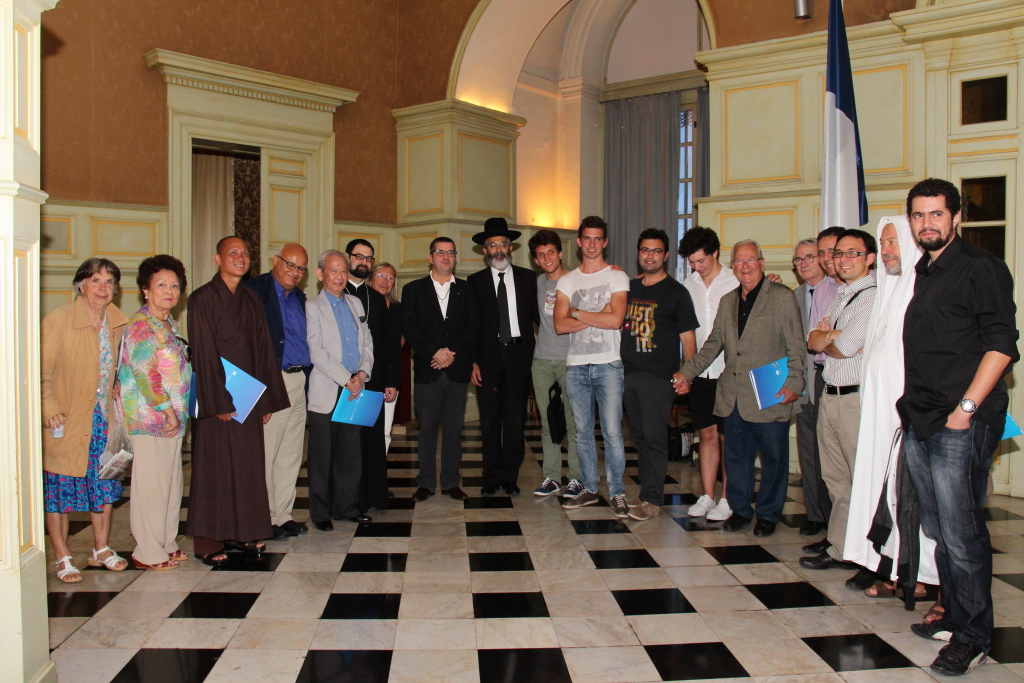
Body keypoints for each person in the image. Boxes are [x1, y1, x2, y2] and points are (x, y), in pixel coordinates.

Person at [898, 178, 1018, 676]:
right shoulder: (925, 269)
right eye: (919, 215)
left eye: (936, 214)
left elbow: (1002, 344)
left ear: (956, 217)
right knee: (943, 530)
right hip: (922, 418)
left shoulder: (980, 268)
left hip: (959, 422)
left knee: (963, 533)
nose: (927, 223)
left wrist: (965, 409)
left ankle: (974, 636)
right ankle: (954, 614)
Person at [676, 240, 804, 538]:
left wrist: (794, 384)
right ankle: (741, 510)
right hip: (732, 396)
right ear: (732, 267)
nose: (745, 266)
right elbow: (711, 347)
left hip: (770, 392)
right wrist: (686, 373)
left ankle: (769, 514)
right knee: (737, 459)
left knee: (773, 460)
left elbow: (796, 346)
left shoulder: (782, 298)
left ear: (761, 262)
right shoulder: (729, 301)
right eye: (739, 262)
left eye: (751, 260)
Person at [843, 216, 937, 601]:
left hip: (910, 418)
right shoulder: (887, 289)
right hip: (879, 418)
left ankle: (929, 577)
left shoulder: (922, 289)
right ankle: (898, 569)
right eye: (883, 244)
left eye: (893, 242)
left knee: (916, 499)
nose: (887, 252)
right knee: (888, 499)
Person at [186, 236, 290, 566]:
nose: (240, 258)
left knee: (246, 467)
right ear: (218, 259)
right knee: (215, 469)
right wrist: (218, 401)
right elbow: (202, 353)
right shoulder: (201, 298)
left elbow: (263, 351)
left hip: (248, 398)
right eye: (233, 253)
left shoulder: (250, 299)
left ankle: (243, 532)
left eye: (245, 253)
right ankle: (208, 539)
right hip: (218, 400)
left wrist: (266, 401)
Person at [42, 258, 130, 582]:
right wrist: (47, 407)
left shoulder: (117, 323)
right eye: (96, 281)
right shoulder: (59, 320)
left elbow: (114, 368)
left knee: (105, 486)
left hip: (102, 420)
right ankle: (63, 556)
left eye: (109, 282)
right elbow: (41, 372)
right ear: (81, 284)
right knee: (60, 491)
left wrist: (116, 384)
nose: (103, 288)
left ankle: (101, 549)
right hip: (65, 421)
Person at [801, 229, 877, 577]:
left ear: (869, 258)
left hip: (855, 398)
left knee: (861, 479)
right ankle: (841, 547)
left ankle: (869, 555)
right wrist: (830, 337)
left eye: (853, 253)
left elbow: (842, 347)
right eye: (840, 253)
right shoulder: (841, 293)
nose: (843, 259)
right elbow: (813, 339)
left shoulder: (871, 296)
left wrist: (829, 338)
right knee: (835, 478)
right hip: (829, 393)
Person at [119, 255, 192, 570]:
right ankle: (147, 551)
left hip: (173, 418)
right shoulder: (140, 325)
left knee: (171, 481)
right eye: (161, 284)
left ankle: (166, 541)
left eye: (174, 285)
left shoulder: (169, 323)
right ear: (145, 290)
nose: (169, 291)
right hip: (151, 418)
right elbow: (143, 372)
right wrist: (166, 409)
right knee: (151, 484)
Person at [555, 216, 631, 515]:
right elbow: (560, 326)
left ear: (605, 242)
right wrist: (596, 311)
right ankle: (588, 487)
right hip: (575, 366)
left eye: (598, 238)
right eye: (587, 238)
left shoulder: (617, 277)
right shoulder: (567, 280)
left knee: (612, 432)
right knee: (582, 432)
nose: (592, 243)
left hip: (608, 364)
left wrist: (576, 311)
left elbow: (615, 320)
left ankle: (617, 492)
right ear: (578, 241)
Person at [622, 229, 698, 521]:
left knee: (654, 438)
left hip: (658, 378)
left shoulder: (677, 292)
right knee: (639, 436)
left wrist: (687, 376)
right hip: (628, 374)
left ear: (665, 255)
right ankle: (645, 493)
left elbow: (688, 339)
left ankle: (652, 499)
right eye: (645, 250)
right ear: (638, 253)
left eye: (656, 251)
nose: (649, 256)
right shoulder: (628, 287)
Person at [402, 237, 480, 502]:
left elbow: (473, 327)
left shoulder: (468, 290)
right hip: (427, 370)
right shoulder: (413, 289)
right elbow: (410, 327)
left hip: (457, 370)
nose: (446, 257)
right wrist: (434, 352)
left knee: (454, 428)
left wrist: (451, 355)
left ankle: (450, 482)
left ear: (455, 258)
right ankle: (425, 482)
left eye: (450, 253)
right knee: (426, 430)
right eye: (440, 252)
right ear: (430, 257)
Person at [242, 244, 311, 540]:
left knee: (291, 453)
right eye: (290, 265)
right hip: (270, 381)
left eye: (300, 269)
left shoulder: (299, 297)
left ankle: (282, 514)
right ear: (275, 261)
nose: (294, 273)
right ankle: (263, 517)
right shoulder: (253, 291)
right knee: (267, 454)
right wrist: (256, 391)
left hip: (298, 381)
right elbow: (244, 343)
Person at [468, 217, 539, 496]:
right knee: (489, 419)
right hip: (487, 358)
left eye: (503, 244)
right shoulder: (474, 282)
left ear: (511, 248)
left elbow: (541, 315)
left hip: (520, 355)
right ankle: (490, 475)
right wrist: (472, 360)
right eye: (492, 245)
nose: (498, 250)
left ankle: (510, 476)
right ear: (485, 250)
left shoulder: (528, 278)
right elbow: (471, 325)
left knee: (514, 419)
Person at [306, 250, 375, 530]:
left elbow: (367, 343)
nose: (339, 277)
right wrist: (346, 378)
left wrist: (362, 374)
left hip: (356, 389)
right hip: (328, 389)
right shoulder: (312, 307)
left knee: (350, 452)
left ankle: (346, 506)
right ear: (321, 274)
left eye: (343, 271)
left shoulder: (356, 303)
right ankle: (320, 512)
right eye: (333, 271)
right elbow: (316, 352)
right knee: (323, 455)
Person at [679, 227, 737, 521]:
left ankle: (727, 498)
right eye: (693, 263)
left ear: (715, 253)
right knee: (706, 434)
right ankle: (707, 495)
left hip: (730, 372)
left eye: (702, 261)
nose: (697, 268)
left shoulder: (735, 280)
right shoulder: (687, 284)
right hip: (700, 370)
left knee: (729, 437)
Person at [345, 239, 399, 512]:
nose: (363, 262)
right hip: (339, 382)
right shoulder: (334, 291)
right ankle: (345, 499)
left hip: (373, 380)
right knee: (344, 442)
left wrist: (391, 381)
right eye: (359, 257)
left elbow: (390, 345)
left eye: (368, 258)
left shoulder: (377, 299)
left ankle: (370, 497)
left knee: (370, 441)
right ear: (348, 258)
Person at [529, 230, 582, 498]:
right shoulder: (537, 283)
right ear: (536, 260)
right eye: (541, 254)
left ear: (560, 253)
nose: (547, 258)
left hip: (571, 360)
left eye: (551, 251)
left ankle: (576, 477)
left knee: (574, 422)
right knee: (548, 422)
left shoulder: (576, 280)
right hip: (541, 361)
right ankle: (551, 476)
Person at [792, 238, 831, 538]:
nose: (804, 263)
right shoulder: (793, 297)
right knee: (808, 452)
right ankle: (815, 514)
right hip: (804, 386)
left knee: (832, 454)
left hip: (833, 382)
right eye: (798, 259)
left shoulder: (838, 291)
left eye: (809, 257)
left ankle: (835, 517)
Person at [370, 261, 403, 455]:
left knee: (384, 432)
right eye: (380, 276)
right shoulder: (359, 304)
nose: (385, 281)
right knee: (363, 430)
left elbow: (400, 343)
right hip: (365, 377)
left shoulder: (399, 309)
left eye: (390, 278)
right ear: (371, 278)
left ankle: (378, 482)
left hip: (390, 377)